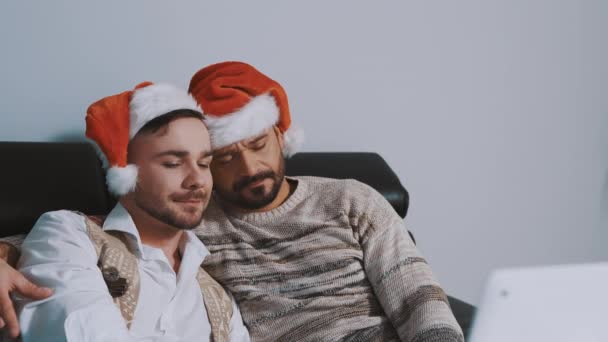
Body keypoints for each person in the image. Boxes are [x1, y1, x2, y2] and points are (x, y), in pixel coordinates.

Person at [1, 61, 463, 341]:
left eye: (258, 144)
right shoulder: (188, 225)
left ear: (281, 137)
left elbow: (419, 296)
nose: (246, 169)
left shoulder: (349, 199)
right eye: (221, 157)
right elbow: (78, 244)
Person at [2, 82, 250, 341]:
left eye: (204, 163)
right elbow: (81, 331)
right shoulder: (69, 234)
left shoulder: (218, 299)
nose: (197, 179)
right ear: (125, 170)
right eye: (173, 163)